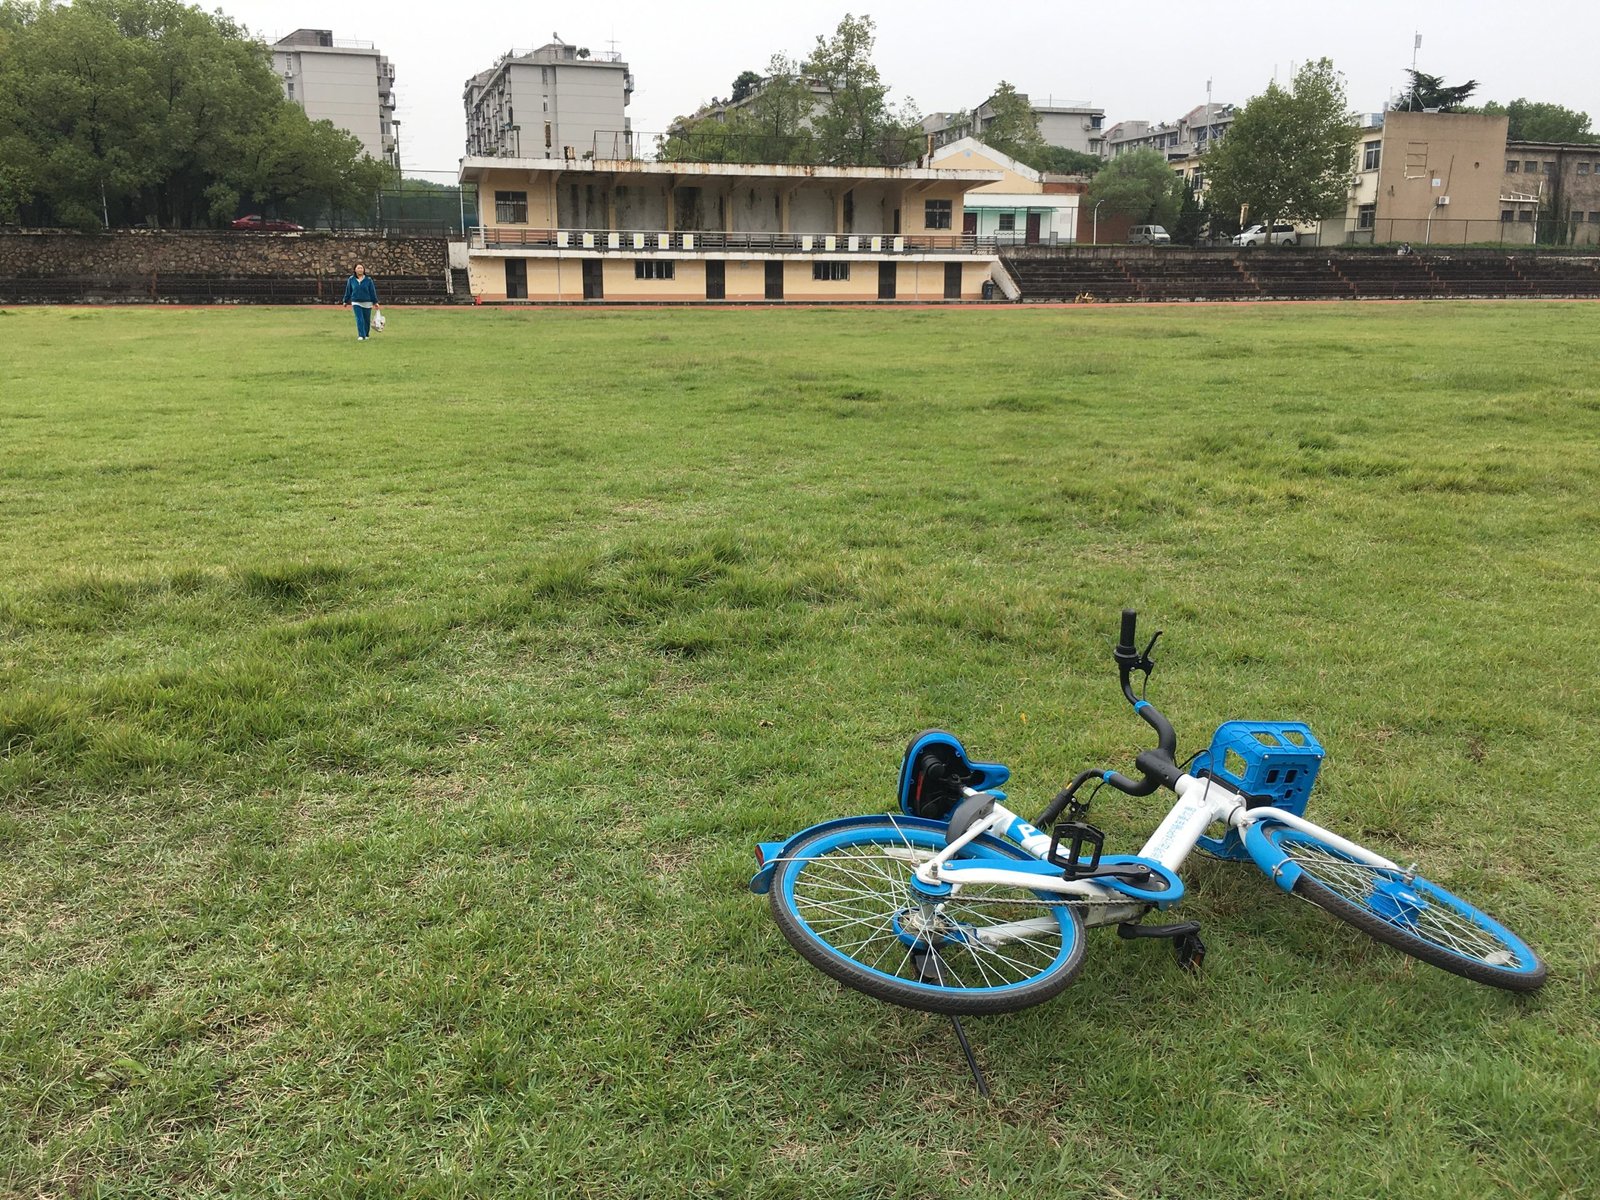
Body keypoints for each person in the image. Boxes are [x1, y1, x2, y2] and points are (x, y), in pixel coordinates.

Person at [341, 263, 380, 339]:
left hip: (367, 302)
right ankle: (361, 335)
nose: (360, 270)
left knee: (366, 319)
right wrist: (345, 301)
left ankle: (366, 334)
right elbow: (348, 290)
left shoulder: (368, 280)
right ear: (355, 270)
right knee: (359, 318)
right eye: (358, 268)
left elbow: (372, 291)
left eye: (361, 268)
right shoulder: (351, 279)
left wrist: (375, 302)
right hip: (356, 302)